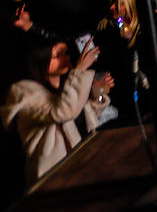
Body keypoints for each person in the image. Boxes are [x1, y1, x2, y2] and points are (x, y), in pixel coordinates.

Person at [1, 37, 112, 185]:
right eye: (57, 54)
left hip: (86, 169)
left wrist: (97, 94)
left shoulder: (67, 87)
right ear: (39, 57)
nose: (65, 58)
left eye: (65, 53)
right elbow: (62, 112)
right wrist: (79, 71)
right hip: (53, 179)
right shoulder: (23, 91)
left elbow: (84, 119)